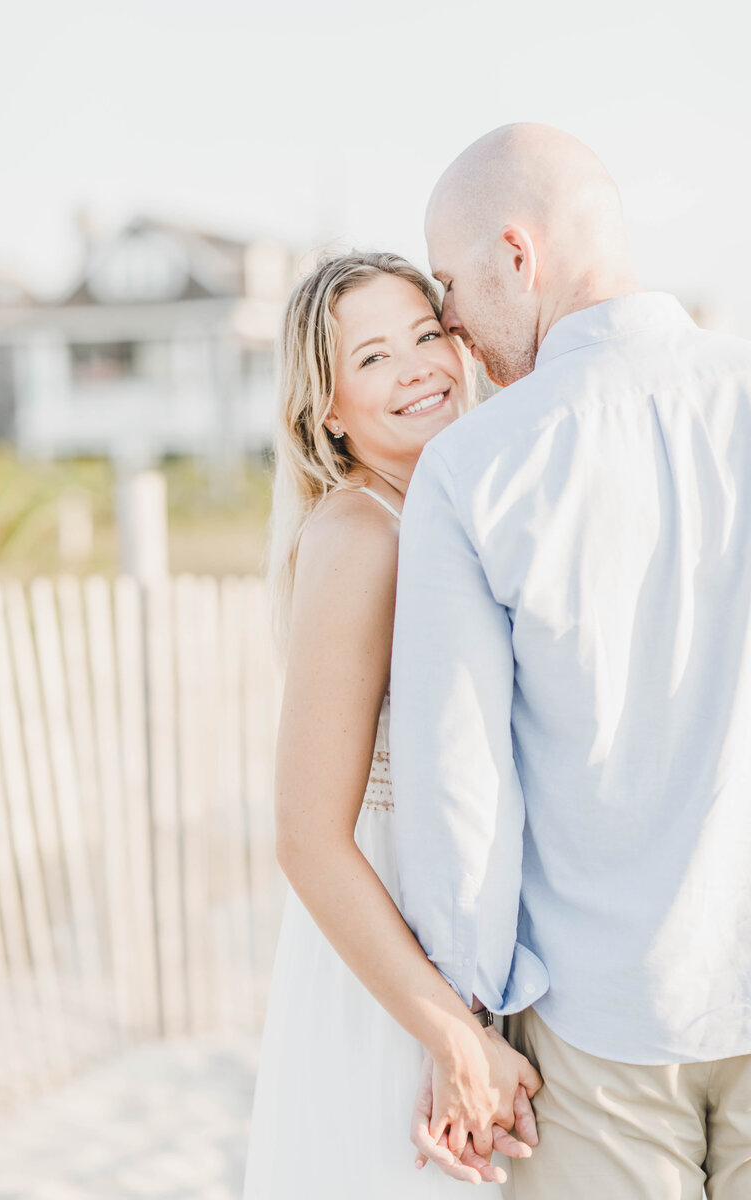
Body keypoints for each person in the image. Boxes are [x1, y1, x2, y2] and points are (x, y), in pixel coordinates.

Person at [390, 122, 751, 1198]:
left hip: (596, 1023)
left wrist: (462, 1031)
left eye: (449, 282)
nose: (447, 320)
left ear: (518, 254)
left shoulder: (469, 471)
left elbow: (460, 790)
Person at [242, 250, 541, 1199]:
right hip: (392, 952)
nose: (417, 367)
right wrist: (449, 1035)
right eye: (372, 358)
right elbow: (307, 838)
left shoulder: (451, 511)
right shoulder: (360, 532)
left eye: (425, 335)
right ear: (326, 407)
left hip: (467, 935)